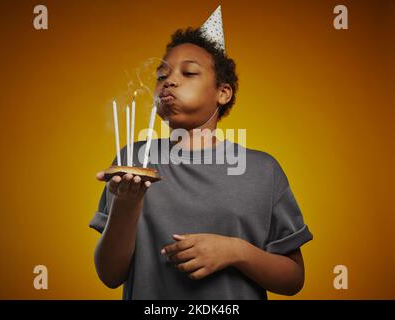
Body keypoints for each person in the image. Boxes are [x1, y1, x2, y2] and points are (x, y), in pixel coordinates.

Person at [89, 23, 313, 299]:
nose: (168, 81)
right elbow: (110, 275)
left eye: (190, 72)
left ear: (223, 93)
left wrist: (235, 251)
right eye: (162, 75)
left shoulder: (263, 171)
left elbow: (293, 280)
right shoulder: (133, 162)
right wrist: (126, 205)